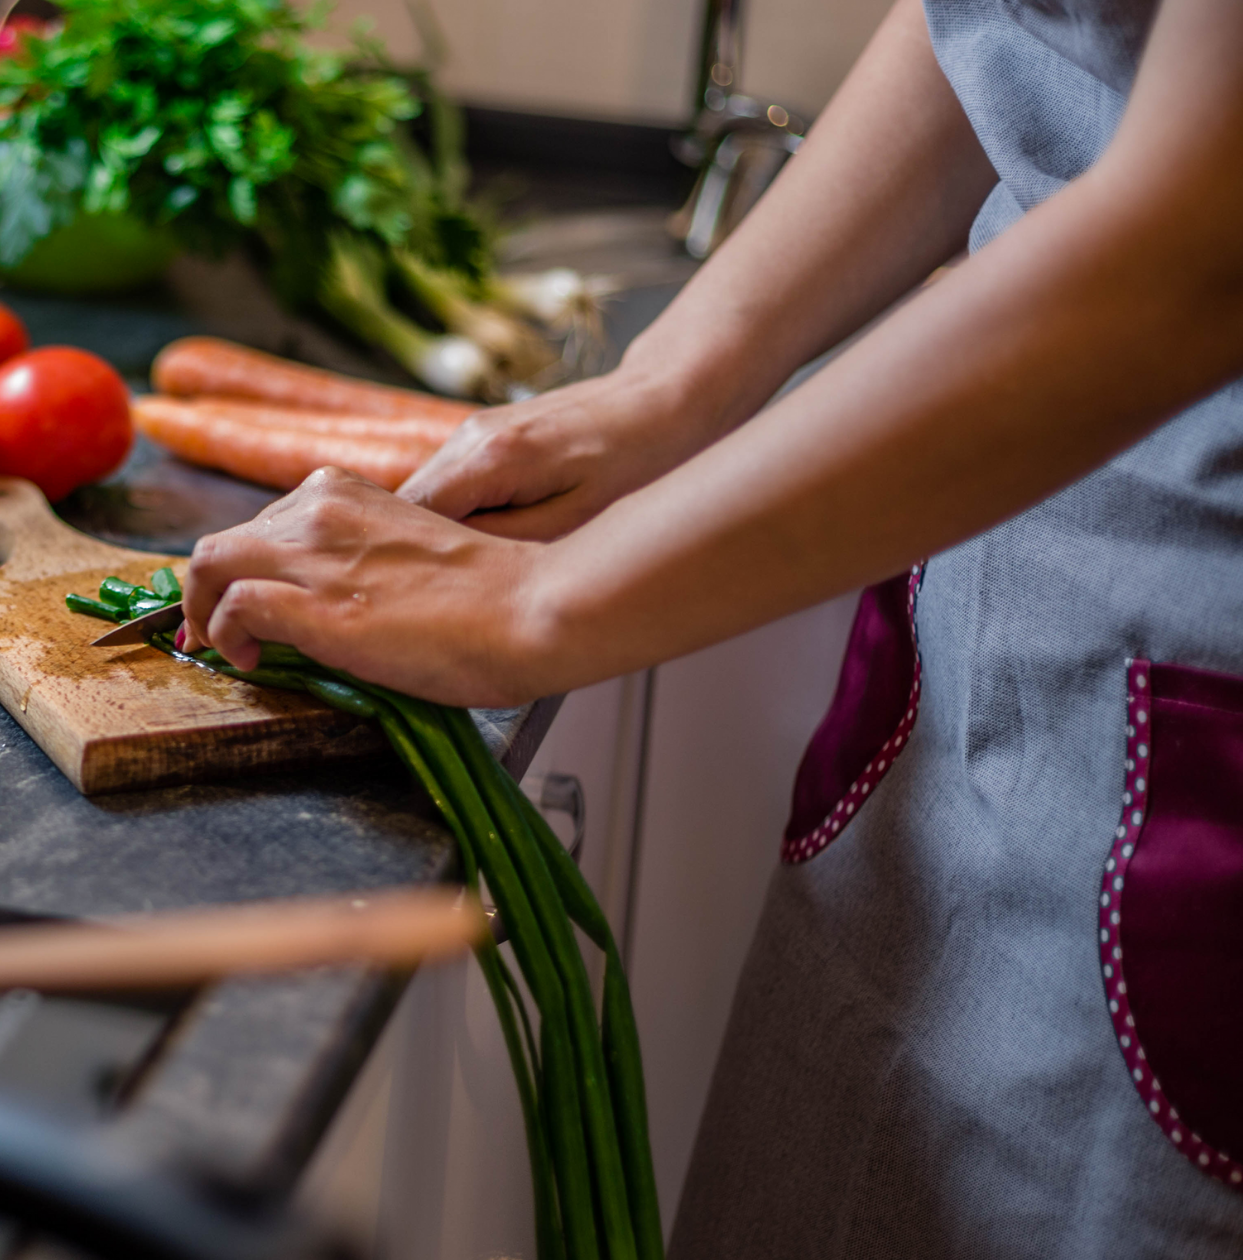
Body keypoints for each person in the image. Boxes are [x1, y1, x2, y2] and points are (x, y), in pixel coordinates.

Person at [176, 0, 1243, 1253]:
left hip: (1192, 667)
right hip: (999, 614)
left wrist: (534, 603)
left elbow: (1195, 242)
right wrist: (663, 383)